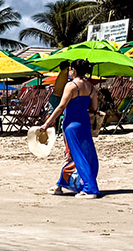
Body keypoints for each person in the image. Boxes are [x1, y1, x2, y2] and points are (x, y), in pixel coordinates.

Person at [40, 59, 99, 197]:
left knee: (75, 156)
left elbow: (61, 107)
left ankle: (90, 188)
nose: (69, 72)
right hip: (84, 124)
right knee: (84, 154)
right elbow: (94, 108)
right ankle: (60, 184)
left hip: (71, 125)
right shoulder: (90, 87)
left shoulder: (71, 86)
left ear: (74, 70)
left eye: (70, 70)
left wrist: (47, 123)